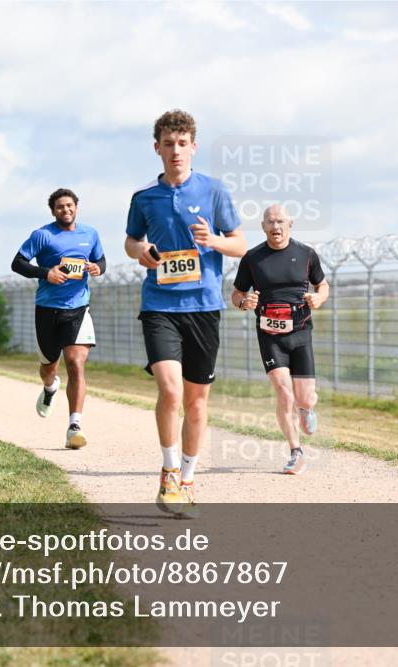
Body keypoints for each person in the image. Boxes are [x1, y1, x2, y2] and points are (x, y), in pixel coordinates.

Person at [125, 109, 246, 515]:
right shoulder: (144, 198)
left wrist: (213, 240)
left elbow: (241, 244)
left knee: (195, 402)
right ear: (156, 148)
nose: (176, 151)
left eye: (182, 143)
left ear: (193, 147)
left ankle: (190, 479)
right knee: (171, 391)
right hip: (160, 304)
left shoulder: (214, 191)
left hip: (204, 305)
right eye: (168, 143)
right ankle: (169, 472)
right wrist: (140, 252)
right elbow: (130, 241)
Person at [231, 204, 329, 475]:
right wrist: (243, 302)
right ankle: (296, 452)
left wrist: (319, 297)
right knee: (283, 392)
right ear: (263, 226)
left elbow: (323, 284)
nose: (276, 227)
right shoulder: (252, 258)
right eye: (270, 222)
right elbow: (237, 292)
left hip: (300, 333)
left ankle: (307, 408)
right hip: (269, 335)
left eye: (280, 222)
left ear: (290, 224)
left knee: (304, 398)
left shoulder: (306, 254)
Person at [12, 188, 106, 449]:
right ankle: (50, 387)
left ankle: (74, 426)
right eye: (60, 207)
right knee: (49, 367)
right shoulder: (42, 235)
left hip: (78, 308)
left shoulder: (90, 234)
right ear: (53, 211)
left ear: (76, 207)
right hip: (47, 309)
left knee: (75, 363)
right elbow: (17, 264)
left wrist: (99, 268)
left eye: (70, 206)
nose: (66, 210)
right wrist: (46, 273)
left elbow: (100, 259)